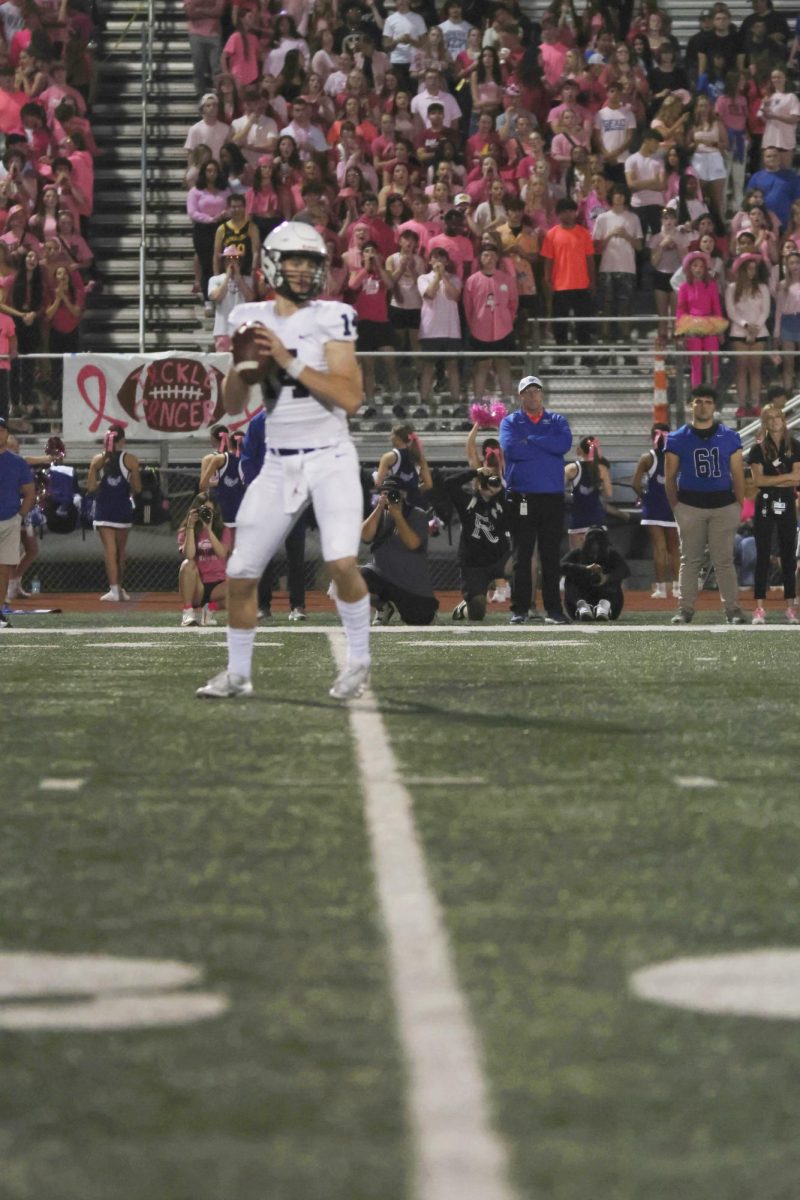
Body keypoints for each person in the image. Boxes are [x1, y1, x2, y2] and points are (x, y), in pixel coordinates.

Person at [196, 221, 371, 701]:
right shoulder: (250, 315)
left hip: (331, 456)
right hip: (277, 461)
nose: (300, 270)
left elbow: (351, 396)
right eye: (292, 260)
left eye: (309, 262)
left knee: (340, 562)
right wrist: (244, 363)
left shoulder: (333, 316)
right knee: (240, 572)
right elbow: (233, 403)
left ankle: (359, 661)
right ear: (272, 263)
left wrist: (288, 360)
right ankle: (237, 672)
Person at [664, 384, 748, 625]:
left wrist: (737, 506)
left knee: (723, 560)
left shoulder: (730, 436)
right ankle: (684, 609)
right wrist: (676, 507)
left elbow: (738, 475)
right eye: (698, 401)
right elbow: (669, 477)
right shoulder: (678, 437)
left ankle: (733, 610)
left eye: (708, 402)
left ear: (715, 406)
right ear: (691, 404)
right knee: (690, 560)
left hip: (723, 505)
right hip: (690, 505)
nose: (703, 406)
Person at [499, 375, 572, 625]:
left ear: (542, 394)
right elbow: (512, 450)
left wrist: (531, 440)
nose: (532, 396)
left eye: (536, 391)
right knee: (522, 555)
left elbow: (564, 444)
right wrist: (545, 445)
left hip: (551, 496)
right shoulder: (509, 422)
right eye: (527, 392)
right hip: (522, 496)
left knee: (551, 555)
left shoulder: (557, 420)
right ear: (520, 396)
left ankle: (554, 610)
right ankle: (520, 609)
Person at [360, 475, 439, 626]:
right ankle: (383, 606)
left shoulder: (418, 515)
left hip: (409, 584)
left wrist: (397, 515)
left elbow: (413, 544)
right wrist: (378, 508)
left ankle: (419, 610)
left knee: (420, 620)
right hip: (381, 575)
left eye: (393, 492)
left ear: (403, 494)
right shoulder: (378, 514)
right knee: (343, 584)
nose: (390, 496)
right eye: (385, 492)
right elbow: (365, 536)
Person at [746, 404, 800, 625]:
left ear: (784, 420)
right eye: (770, 418)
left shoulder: (795, 445)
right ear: (764, 422)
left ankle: (791, 607)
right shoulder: (757, 450)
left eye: (778, 417)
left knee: (788, 554)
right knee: (763, 553)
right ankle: (759, 608)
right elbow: (758, 481)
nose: (775, 421)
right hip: (766, 501)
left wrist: (780, 479)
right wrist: (786, 477)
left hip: (787, 499)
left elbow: (798, 479)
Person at [445, 464, 511, 621]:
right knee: (477, 612)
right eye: (486, 482)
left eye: (493, 482)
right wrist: (475, 472)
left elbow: (520, 506)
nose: (490, 486)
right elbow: (449, 483)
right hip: (474, 563)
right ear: (479, 484)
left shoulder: (502, 502)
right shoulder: (467, 501)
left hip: (499, 559)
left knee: (523, 565)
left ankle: (524, 610)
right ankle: (465, 606)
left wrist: (500, 491)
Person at [85, 426, 141, 602]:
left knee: (110, 551)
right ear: (122, 441)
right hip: (122, 509)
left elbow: (91, 488)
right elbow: (137, 488)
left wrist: (102, 479)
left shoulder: (97, 459)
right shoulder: (130, 459)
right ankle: (119, 588)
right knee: (120, 552)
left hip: (104, 510)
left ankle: (114, 589)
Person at [632, 422, 680, 600]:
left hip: (653, 507)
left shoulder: (647, 458)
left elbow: (635, 484)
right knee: (674, 548)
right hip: (672, 505)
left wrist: (644, 498)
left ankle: (660, 589)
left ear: (653, 437)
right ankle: (677, 588)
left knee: (659, 547)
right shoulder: (677, 457)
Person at [0, 414, 34, 627]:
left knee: (4, 569)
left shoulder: (17, 462)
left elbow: (30, 492)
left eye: (2, 430)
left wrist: (20, 515)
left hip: (9, 520)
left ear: (6, 433)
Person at [178, 491, 231, 627]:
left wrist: (209, 529)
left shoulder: (223, 530)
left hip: (218, 585)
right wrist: (190, 526)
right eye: (204, 510)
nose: (207, 514)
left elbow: (222, 553)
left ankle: (210, 608)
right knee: (187, 564)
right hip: (198, 585)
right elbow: (190, 555)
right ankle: (188, 612)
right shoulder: (186, 531)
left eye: (210, 511)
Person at [561, 525, 630, 621]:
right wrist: (584, 569)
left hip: (608, 601)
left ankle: (604, 606)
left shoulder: (612, 555)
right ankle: (582, 607)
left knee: (616, 578)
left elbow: (625, 571)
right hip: (578, 602)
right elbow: (559, 568)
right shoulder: (577, 554)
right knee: (570, 577)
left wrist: (606, 577)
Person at [564, 436, 612, 548]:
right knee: (597, 559)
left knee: (576, 558)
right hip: (597, 519)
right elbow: (609, 494)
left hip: (578, 519)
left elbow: (558, 491)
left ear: (580, 450)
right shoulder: (602, 468)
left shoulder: (571, 468)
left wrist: (571, 497)